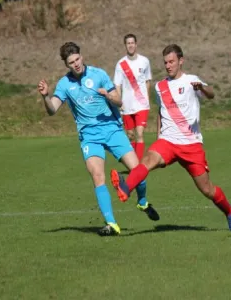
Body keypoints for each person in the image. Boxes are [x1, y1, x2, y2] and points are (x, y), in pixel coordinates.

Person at [109, 44, 231, 232]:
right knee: (148, 159)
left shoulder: (191, 81)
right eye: (165, 62)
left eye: (171, 61)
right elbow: (162, 113)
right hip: (168, 140)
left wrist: (202, 88)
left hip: (191, 144)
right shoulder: (160, 87)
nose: (168, 65)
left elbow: (211, 94)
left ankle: (229, 212)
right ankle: (126, 188)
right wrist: (159, 136)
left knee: (207, 189)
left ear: (181, 61)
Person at [37, 42, 160, 237]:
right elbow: (52, 109)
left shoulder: (99, 74)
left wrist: (109, 96)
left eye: (77, 59)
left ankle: (142, 202)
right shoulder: (64, 84)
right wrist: (46, 97)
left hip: (112, 129)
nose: (76, 64)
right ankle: (112, 224)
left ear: (81, 56)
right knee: (97, 176)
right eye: (71, 62)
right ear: (66, 64)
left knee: (138, 171)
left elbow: (119, 100)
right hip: (89, 136)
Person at [113, 34, 152, 162]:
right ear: (125, 45)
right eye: (128, 43)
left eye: (132, 43)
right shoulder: (120, 64)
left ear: (136, 44)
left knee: (140, 134)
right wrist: (119, 102)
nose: (130, 45)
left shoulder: (144, 61)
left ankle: (138, 166)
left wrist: (145, 98)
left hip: (141, 105)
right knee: (130, 136)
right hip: (127, 105)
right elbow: (117, 85)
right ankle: (134, 162)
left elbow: (148, 81)